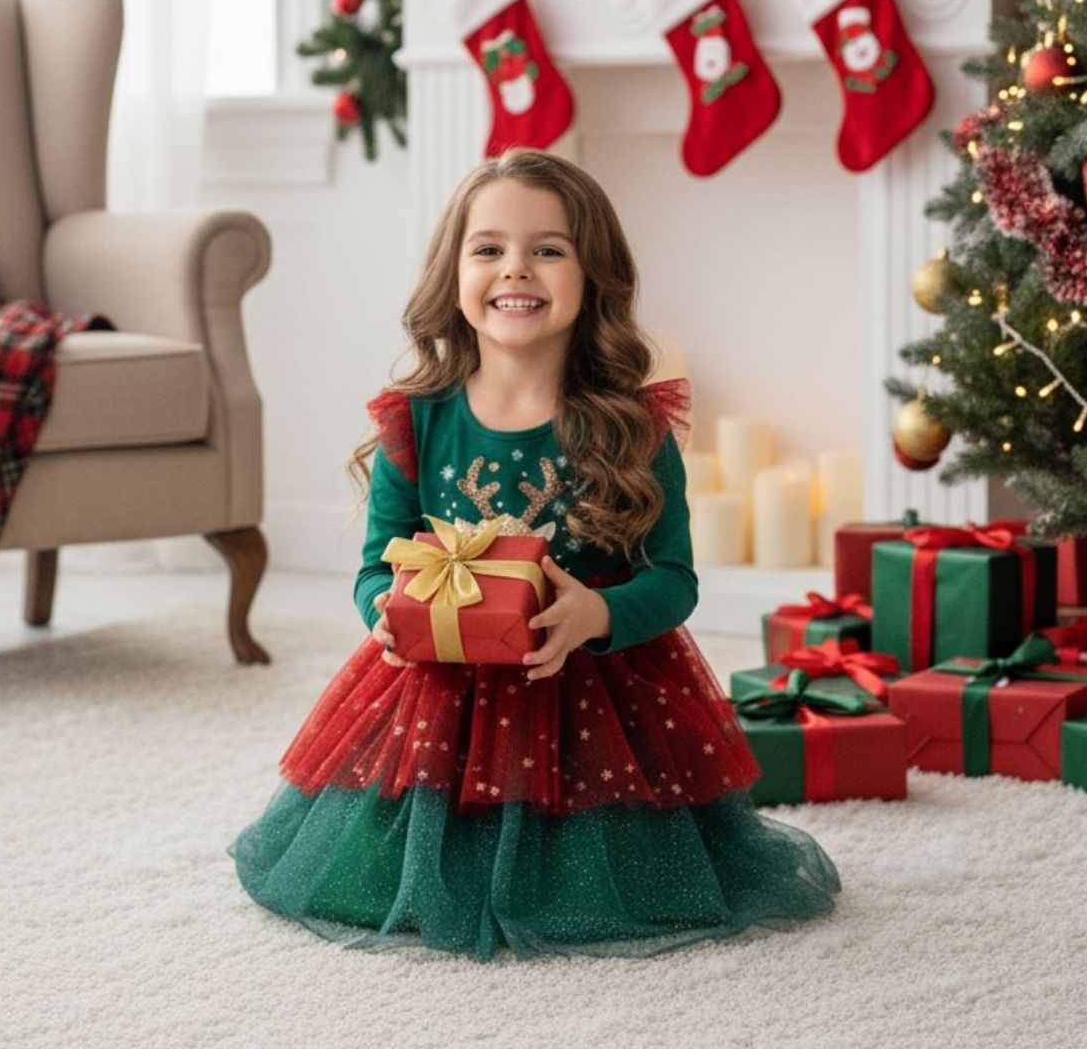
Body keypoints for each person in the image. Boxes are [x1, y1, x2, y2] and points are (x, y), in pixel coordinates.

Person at [229, 149, 840, 959]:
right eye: (488, 249)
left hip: (593, 686)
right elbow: (380, 564)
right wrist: (383, 611)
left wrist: (599, 613)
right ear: (453, 273)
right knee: (375, 863)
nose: (515, 268)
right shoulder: (413, 424)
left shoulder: (634, 427)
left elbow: (675, 580)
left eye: (547, 249)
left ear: (594, 277)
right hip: (441, 686)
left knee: (622, 873)